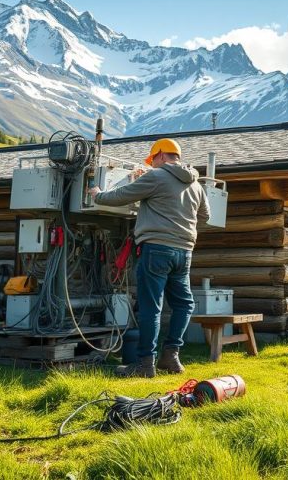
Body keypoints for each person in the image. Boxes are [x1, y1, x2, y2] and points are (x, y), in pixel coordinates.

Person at [89, 138, 210, 377]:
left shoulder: (155, 177)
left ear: (162, 155)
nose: (152, 164)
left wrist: (97, 194)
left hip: (156, 249)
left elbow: (121, 196)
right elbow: (205, 216)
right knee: (184, 304)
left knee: (150, 308)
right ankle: (171, 356)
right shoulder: (196, 184)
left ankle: (145, 364)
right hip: (184, 251)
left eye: (153, 159)